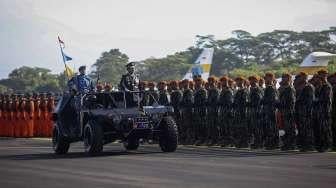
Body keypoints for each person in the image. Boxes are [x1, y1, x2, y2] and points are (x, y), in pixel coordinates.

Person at [278, 73, 296, 150]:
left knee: (290, 129)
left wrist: (281, 104)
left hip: (289, 112)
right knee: (285, 129)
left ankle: (291, 144)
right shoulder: (282, 89)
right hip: (283, 111)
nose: (283, 79)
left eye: (285, 78)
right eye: (282, 78)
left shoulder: (290, 89)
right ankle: (287, 144)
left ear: (289, 79)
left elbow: (292, 102)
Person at [262, 73, 279, 150]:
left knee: (272, 128)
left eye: (267, 78)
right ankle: (270, 143)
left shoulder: (271, 88)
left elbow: (273, 100)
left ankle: (273, 143)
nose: (265, 80)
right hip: (267, 110)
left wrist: (264, 101)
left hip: (271, 110)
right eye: (265, 78)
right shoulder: (268, 88)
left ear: (272, 78)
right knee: (268, 128)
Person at [248, 76, 263, 149]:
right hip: (252, 111)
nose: (251, 82)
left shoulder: (258, 90)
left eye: (252, 81)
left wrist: (251, 103)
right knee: (254, 128)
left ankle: (259, 143)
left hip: (257, 111)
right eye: (250, 81)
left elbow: (259, 101)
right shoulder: (252, 89)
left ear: (256, 81)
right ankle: (256, 142)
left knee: (258, 128)